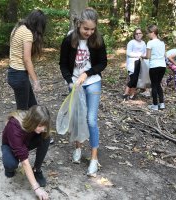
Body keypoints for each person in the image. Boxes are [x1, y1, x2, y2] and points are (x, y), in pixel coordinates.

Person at [59, 8, 107, 176]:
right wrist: (70, 81)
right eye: (86, 29)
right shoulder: (69, 40)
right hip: (74, 84)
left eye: (92, 29)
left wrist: (87, 73)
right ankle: (78, 148)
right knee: (78, 117)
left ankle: (94, 158)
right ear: (79, 24)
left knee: (91, 120)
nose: (89, 32)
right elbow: (63, 64)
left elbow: (102, 63)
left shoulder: (97, 40)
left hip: (92, 82)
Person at [1, 105, 50, 200]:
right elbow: (24, 162)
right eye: (40, 126)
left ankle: (37, 169)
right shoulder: (14, 125)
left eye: (44, 126)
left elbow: (43, 131)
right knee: (10, 164)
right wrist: (36, 188)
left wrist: (41, 128)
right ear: (32, 121)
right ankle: (9, 168)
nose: (42, 129)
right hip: (11, 145)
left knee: (46, 137)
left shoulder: (39, 126)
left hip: (26, 141)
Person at [7, 9, 47, 110]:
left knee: (32, 106)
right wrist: (35, 81)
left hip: (13, 72)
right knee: (22, 112)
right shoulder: (27, 34)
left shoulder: (19, 27)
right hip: (19, 75)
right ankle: (16, 126)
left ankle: (37, 125)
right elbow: (27, 60)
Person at [141, 25, 166, 111]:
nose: (147, 35)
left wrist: (142, 57)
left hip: (154, 66)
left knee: (154, 85)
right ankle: (162, 104)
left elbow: (148, 56)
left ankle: (155, 105)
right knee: (158, 84)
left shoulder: (150, 43)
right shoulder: (162, 42)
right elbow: (164, 54)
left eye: (148, 33)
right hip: (162, 66)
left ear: (153, 32)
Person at [122, 28, 146, 100]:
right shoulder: (131, 42)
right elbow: (128, 53)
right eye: (136, 33)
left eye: (139, 33)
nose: (138, 35)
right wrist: (139, 55)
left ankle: (132, 94)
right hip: (132, 63)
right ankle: (125, 93)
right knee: (133, 79)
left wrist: (143, 56)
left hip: (140, 63)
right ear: (134, 35)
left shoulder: (144, 43)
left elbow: (145, 53)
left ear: (142, 34)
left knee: (136, 80)